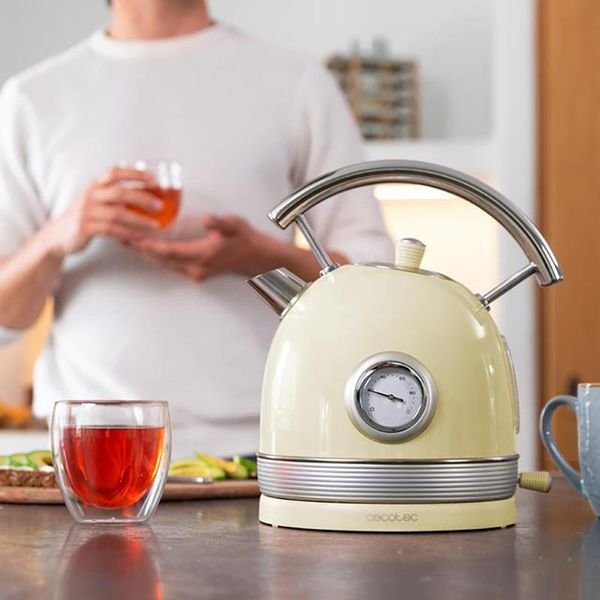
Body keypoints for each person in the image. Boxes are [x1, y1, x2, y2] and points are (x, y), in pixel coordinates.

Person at [0, 0, 392, 457]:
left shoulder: (297, 83)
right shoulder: (33, 98)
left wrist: (261, 258)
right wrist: (56, 237)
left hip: (262, 441)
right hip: (91, 445)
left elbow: (375, 280)